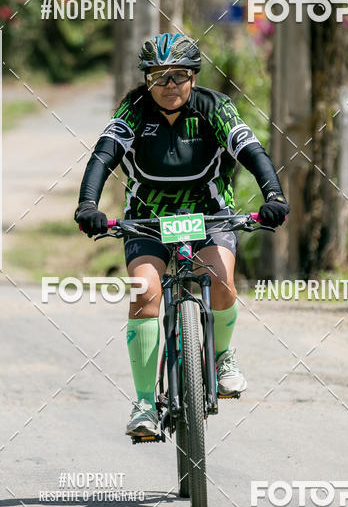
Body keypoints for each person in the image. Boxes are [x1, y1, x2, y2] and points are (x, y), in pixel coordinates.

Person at [74, 33, 289, 437]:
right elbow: (104, 155)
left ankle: (223, 356)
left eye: (178, 76)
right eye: (158, 77)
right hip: (147, 217)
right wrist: (88, 206)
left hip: (209, 214)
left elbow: (252, 151)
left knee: (220, 278)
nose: (169, 85)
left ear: (193, 76)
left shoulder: (214, 107)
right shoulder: (134, 110)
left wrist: (273, 195)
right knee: (144, 291)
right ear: (146, 79)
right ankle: (143, 403)